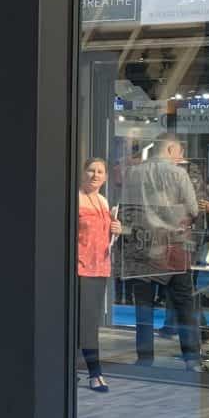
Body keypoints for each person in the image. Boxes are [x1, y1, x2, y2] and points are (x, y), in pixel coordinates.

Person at [117, 133, 201, 370]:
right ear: (171, 148)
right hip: (173, 245)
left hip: (141, 245)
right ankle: (191, 358)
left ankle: (145, 358)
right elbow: (193, 209)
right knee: (184, 303)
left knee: (143, 305)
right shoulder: (178, 174)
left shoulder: (133, 173)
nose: (181, 157)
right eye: (180, 152)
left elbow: (126, 210)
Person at [77, 158, 122, 392]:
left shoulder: (103, 201)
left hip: (100, 268)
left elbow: (106, 235)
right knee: (87, 323)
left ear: (105, 177)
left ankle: (72, 368)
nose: (95, 175)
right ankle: (95, 373)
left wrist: (117, 228)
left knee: (86, 321)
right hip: (80, 268)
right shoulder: (75, 199)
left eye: (100, 172)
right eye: (91, 170)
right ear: (83, 173)